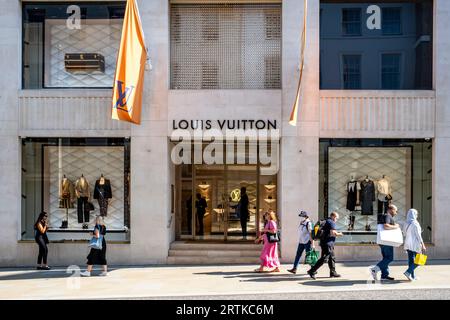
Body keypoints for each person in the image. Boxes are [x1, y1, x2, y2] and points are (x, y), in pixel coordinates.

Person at [307, 212, 343, 279]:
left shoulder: (326, 221)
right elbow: (333, 233)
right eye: (336, 218)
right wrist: (339, 234)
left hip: (325, 243)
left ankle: (333, 272)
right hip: (328, 243)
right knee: (324, 258)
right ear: (333, 216)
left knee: (332, 257)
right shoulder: (331, 222)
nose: (336, 220)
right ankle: (312, 271)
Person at [370, 204, 400, 281]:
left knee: (385, 258)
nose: (396, 213)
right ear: (391, 209)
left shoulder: (384, 216)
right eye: (395, 211)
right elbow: (386, 226)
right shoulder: (387, 216)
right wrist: (396, 226)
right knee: (389, 258)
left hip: (383, 241)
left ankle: (384, 275)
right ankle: (375, 269)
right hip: (387, 241)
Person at [403, 208, 426, 281]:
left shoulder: (406, 223)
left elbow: (404, 233)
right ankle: (408, 272)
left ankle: (412, 276)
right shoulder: (415, 223)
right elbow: (418, 235)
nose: (417, 215)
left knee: (411, 261)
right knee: (419, 261)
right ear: (414, 215)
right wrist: (423, 244)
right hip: (415, 244)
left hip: (407, 244)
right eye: (416, 214)